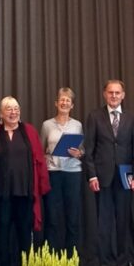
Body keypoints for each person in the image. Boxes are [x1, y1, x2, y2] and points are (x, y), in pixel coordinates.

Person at [0, 96, 50, 266]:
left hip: (24, 190)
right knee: (2, 231)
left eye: (16, 109)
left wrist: (42, 184)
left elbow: (39, 159)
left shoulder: (29, 131)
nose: (13, 112)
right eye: (9, 109)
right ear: (1, 113)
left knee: (24, 231)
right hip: (1, 191)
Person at [84, 80, 134, 266]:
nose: (114, 96)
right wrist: (92, 175)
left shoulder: (133, 118)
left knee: (124, 222)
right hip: (102, 177)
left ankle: (123, 264)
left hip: (126, 178)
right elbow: (89, 149)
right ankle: (105, 265)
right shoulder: (95, 116)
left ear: (123, 95)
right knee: (104, 224)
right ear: (104, 94)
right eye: (111, 92)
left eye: (118, 93)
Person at [40, 87, 84, 257]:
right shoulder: (47, 125)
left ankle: (71, 259)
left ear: (72, 105)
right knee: (52, 217)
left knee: (72, 218)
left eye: (68, 100)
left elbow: (82, 150)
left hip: (73, 173)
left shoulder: (77, 125)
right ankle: (51, 259)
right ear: (56, 103)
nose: (64, 103)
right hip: (53, 173)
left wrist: (79, 153)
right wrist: (46, 159)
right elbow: (41, 149)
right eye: (62, 100)